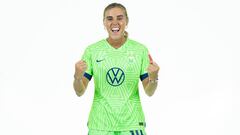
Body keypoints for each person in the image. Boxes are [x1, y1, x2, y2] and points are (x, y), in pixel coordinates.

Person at [73, 3, 160, 135]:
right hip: (100, 126)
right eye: (109, 19)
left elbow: (149, 92)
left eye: (119, 18)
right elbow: (79, 92)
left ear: (127, 21)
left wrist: (153, 78)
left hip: (132, 125)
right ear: (104, 23)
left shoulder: (139, 50)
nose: (115, 23)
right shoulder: (92, 51)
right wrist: (77, 76)